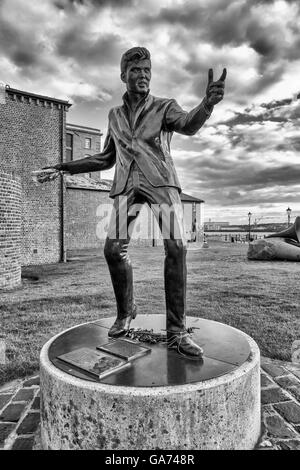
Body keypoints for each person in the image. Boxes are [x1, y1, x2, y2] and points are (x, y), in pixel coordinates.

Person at [45, 47, 226, 358]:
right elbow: (105, 158)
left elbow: (187, 125)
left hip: (161, 183)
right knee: (113, 250)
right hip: (127, 185)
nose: (143, 75)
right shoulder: (114, 115)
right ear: (123, 76)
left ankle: (177, 331)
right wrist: (63, 167)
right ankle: (126, 312)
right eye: (136, 70)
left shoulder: (164, 107)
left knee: (176, 247)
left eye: (147, 71)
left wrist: (206, 105)